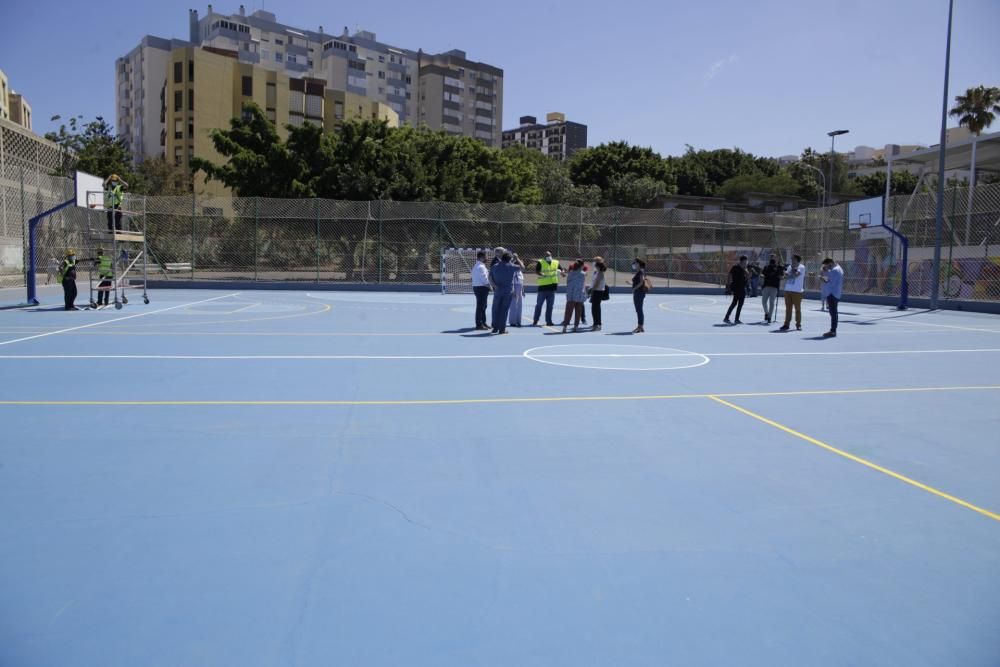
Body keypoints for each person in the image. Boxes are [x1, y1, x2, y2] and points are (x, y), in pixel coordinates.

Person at [532, 251, 563, 326]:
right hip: (543, 287)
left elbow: (561, 270)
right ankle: (535, 320)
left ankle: (549, 321)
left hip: (552, 287)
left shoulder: (556, 262)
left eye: (549, 255)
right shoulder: (540, 262)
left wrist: (563, 272)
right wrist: (541, 274)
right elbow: (537, 271)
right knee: (539, 305)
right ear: (544, 256)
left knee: (550, 306)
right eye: (547, 255)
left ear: (551, 255)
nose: (548, 256)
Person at [490, 252, 518, 334]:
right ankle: (502, 329)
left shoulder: (495, 266)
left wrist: (494, 285)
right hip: (507, 291)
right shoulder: (512, 266)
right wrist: (517, 259)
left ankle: (495, 327)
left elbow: (490, 277)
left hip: (498, 291)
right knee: (504, 310)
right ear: (510, 259)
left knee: (495, 309)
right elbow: (522, 267)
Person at [779, 254, 806, 331]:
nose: (792, 260)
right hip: (788, 290)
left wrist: (791, 272)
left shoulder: (801, 267)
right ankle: (786, 324)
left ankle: (798, 324)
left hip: (797, 291)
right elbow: (786, 275)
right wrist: (783, 273)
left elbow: (796, 275)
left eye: (793, 259)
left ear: (797, 259)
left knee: (797, 309)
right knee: (788, 309)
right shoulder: (790, 267)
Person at [820, 257, 844, 338]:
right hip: (836, 293)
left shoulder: (834, 270)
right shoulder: (839, 268)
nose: (826, 267)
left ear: (830, 263)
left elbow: (828, 281)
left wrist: (822, 277)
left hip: (832, 293)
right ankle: (833, 330)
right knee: (833, 312)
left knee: (833, 313)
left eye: (827, 265)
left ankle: (833, 330)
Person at [561, 259, 586, 333]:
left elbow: (568, 281)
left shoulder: (570, 273)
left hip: (571, 295)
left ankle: (565, 327)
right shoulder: (582, 274)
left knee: (568, 311)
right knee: (578, 311)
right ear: (581, 266)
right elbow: (583, 284)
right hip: (579, 294)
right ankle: (576, 327)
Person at [724, 255, 749, 324]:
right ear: (742, 261)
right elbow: (729, 275)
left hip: (742, 288)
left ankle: (735, 319)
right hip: (737, 288)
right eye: (746, 261)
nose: (747, 262)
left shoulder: (745, 269)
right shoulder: (735, 267)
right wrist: (728, 285)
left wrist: (746, 271)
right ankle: (727, 317)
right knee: (734, 303)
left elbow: (748, 276)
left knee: (739, 304)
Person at [471, 251, 491, 330]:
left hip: (479, 287)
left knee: (483, 306)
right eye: (486, 256)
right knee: (480, 306)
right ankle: (479, 324)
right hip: (481, 288)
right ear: (482, 257)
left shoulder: (478, 265)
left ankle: (483, 322)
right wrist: (490, 286)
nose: (487, 258)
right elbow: (484, 279)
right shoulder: (481, 267)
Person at [760, 256, 783, 324]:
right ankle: (767, 313)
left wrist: (781, 275)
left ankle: (769, 316)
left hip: (774, 286)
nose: (772, 263)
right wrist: (761, 275)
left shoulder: (779, 268)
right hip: (766, 286)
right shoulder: (766, 267)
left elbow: (782, 276)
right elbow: (762, 274)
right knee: (764, 302)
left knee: (772, 302)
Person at [588, 260, 608, 331]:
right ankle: (596, 323)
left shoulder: (600, 273)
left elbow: (597, 284)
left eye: (596, 265)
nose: (595, 266)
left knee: (595, 309)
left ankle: (597, 324)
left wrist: (591, 290)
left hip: (598, 292)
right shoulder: (599, 273)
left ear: (598, 267)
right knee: (595, 308)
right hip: (597, 291)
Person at [508, 252, 526, 328]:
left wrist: (523, 290)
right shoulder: (511, 268)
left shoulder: (520, 272)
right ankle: (512, 321)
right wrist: (513, 259)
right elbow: (508, 264)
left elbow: (521, 281)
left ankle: (518, 321)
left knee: (519, 305)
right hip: (514, 287)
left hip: (519, 288)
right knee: (513, 305)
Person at [631, 258, 647, 333]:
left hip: (639, 293)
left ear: (638, 264)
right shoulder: (639, 272)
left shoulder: (641, 272)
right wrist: (631, 284)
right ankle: (640, 326)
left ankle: (640, 326)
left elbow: (641, 282)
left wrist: (634, 288)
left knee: (639, 310)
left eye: (634, 263)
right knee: (638, 310)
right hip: (638, 292)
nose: (633, 264)